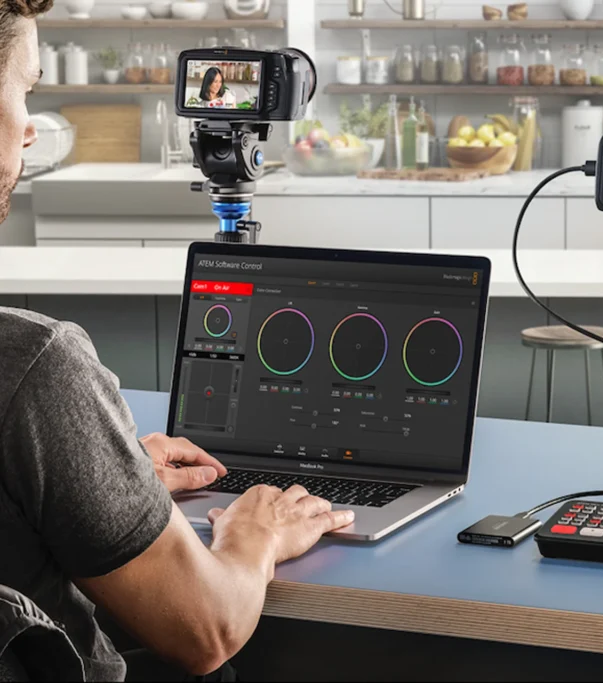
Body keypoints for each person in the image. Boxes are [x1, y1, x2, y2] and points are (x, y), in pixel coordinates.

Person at [0, 3, 356, 680]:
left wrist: (98, 474)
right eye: (26, 92)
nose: (26, 133)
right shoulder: (32, 367)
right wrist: (255, 533)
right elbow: (207, 628)